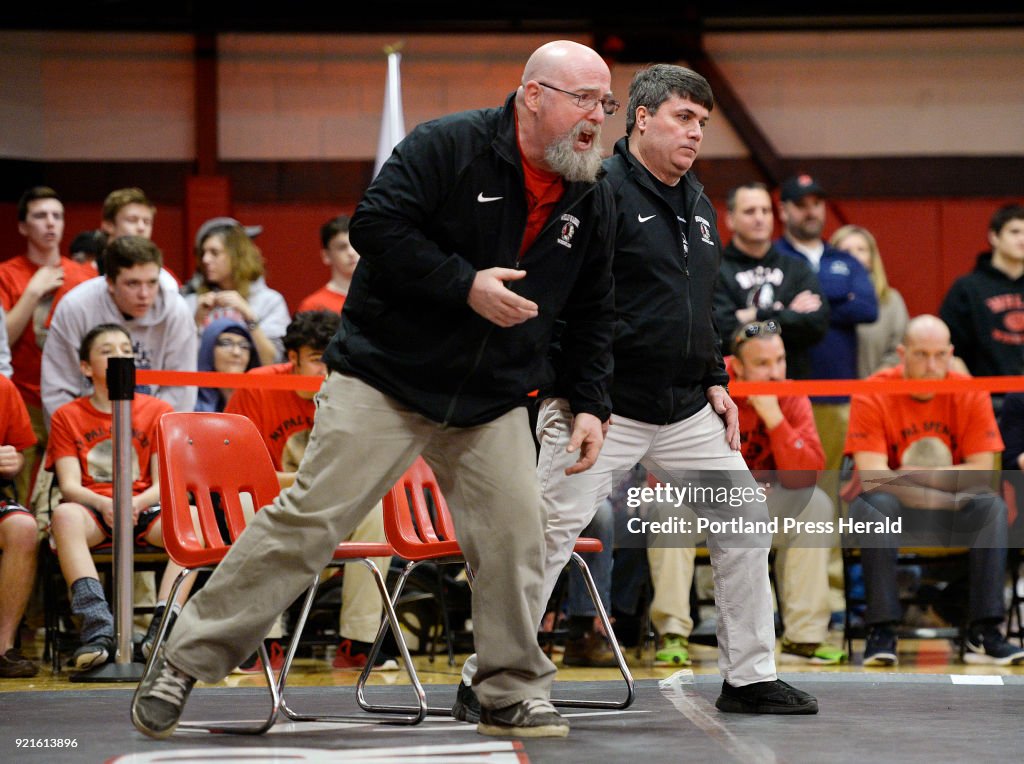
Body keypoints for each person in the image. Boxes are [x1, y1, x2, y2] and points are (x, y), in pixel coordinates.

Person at [132, 39, 618, 740]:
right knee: (311, 520)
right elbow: (376, 228)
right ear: (534, 95)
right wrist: (464, 285)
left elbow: (595, 307)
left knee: (516, 537)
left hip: (491, 397)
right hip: (386, 376)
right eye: (583, 99)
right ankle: (182, 656)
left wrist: (590, 402)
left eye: (605, 103)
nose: (596, 117)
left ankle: (507, 689)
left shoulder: (590, 192)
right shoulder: (447, 146)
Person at [456, 63, 817, 720]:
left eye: (703, 123)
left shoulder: (700, 204)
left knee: (741, 522)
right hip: (603, 404)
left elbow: (699, 303)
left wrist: (716, 378)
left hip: (684, 407)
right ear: (641, 117)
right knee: (547, 534)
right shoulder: (595, 192)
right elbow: (564, 305)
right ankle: (486, 674)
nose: (695, 133)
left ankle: (749, 676)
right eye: (684, 117)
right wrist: (581, 399)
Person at [646, 321, 846, 667]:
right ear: (736, 366)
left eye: (780, 361)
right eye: (763, 364)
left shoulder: (790, 394)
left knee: (816, 505)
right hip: (706, 500)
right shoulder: (708, 387)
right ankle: (672, 631)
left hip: (766, 501)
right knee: (666, 507)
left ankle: (805, 636)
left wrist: (775, 420)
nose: (775, 373)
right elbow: (662, 472)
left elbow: (805, 477)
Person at [845, 314, 1024, 666]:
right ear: (902, 353)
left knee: (991, 506)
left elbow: (982, 473)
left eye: (940, 355)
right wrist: (944, 493)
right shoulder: (873, 392)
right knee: (873, 506)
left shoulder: (969, 391)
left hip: (950, 509)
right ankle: (881, 629)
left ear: (951, 353)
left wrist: (919, 476)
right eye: (921, 355)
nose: (931, 365)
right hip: (900, 507)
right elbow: (872, 478)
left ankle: (985, 630)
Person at [222, 310, 395, 670]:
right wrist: (306, 481)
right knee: (245, 503)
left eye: (331, 357)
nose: (326, 367)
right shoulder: (257, 385)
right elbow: (238, 472)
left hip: (327, 504)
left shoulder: (350, 385)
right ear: (292, 358)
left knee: (375, 506)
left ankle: (359, 641)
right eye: (317, 359)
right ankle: (262, 641)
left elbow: (362, 467)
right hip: (267, 502)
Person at [46, 324, 193, 669]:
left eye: (126, 349)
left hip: (144, 505)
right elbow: (69, 485)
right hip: (94, 507)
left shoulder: (157, 409)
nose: (120, 356)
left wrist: (134, 504)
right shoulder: (67, 415)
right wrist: (105, 504)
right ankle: (98, 627)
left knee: (193, 518)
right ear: (86, 367)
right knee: (64, 515)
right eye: (108, 350)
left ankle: (163, 627)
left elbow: (165, 480)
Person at [774, 174, 878, 475]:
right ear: (783, 211)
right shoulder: (774, 257)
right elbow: (770, 315)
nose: (811, 211)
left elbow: (868, 308)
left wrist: (804, 310)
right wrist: (838, 298)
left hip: (839, 392)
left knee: (834, 483)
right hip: (787, 391)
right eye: (801, 204)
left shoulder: (845, 259)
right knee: (789, 481)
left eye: (817, 203)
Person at [0, 187, 97, 506]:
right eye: (40, 216)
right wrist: (31, 294)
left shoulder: (84, 276)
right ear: (23, 227)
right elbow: (5, 337)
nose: (50, 223)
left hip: (73, 398)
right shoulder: (7, 274)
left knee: (70, 492)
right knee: (23, 493)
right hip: (23, 398)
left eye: (57, 216)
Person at [41, 236, 198, 423]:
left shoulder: (177, 311)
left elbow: (181, 391)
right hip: (86, 425)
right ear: (110, 283)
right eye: (132, 283)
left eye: (152, 282)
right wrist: (82, 437)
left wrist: (149, 436)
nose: (144, 294)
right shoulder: (75, 307)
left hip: (152, 427)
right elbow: (58, 388)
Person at [714, 182, 828, 380]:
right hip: (734, 394)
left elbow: (816, 324)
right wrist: (786, 315)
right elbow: (720, 331)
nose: (759, 218)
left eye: (765, 211)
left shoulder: (796, 268)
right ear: (730, 219)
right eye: (750, 211)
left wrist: (754, 314)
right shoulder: (715, 269)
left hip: (792, 391)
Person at [184, 220, 289, 366]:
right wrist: (195, 323)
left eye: (214, 253)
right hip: (202, 387)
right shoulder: (192, 302)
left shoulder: (270, 301)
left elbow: (274, 362)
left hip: (253, 386)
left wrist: (249, 316)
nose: (205, 259)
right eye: (203, 253)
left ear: (237, 256)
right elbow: (175, 362)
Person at [939, 203, 1024, 379]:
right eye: (1015, 232)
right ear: (994, 236)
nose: (1022, 239)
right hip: (988, 397)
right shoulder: (968, 288)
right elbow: (949, 351)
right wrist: (973, 394)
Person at [0, 372, 40, 678]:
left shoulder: (3, 386)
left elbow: (18, 454)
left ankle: (3, 647)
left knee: (23, 527)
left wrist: (13, 462)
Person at [829, 224, 909, 378]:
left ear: (872, 259)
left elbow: (900, 350)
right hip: (830, 394)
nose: (854, 257)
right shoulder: (821, 299)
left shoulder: (891, 301)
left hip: (878, 392)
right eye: (845, 251)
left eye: (861, 250)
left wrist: (874, 383)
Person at [194, 317, 260, 412]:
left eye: (244, 346)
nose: (236, 352)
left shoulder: (259, 405)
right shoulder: (189, 403)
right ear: (208, 350)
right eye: (226, 343)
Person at [296, 215, 360, 314]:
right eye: (342, 247)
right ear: (326, 256)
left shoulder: (384, 298)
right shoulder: (313, 307)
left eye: (356, 244)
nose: (351, 252)